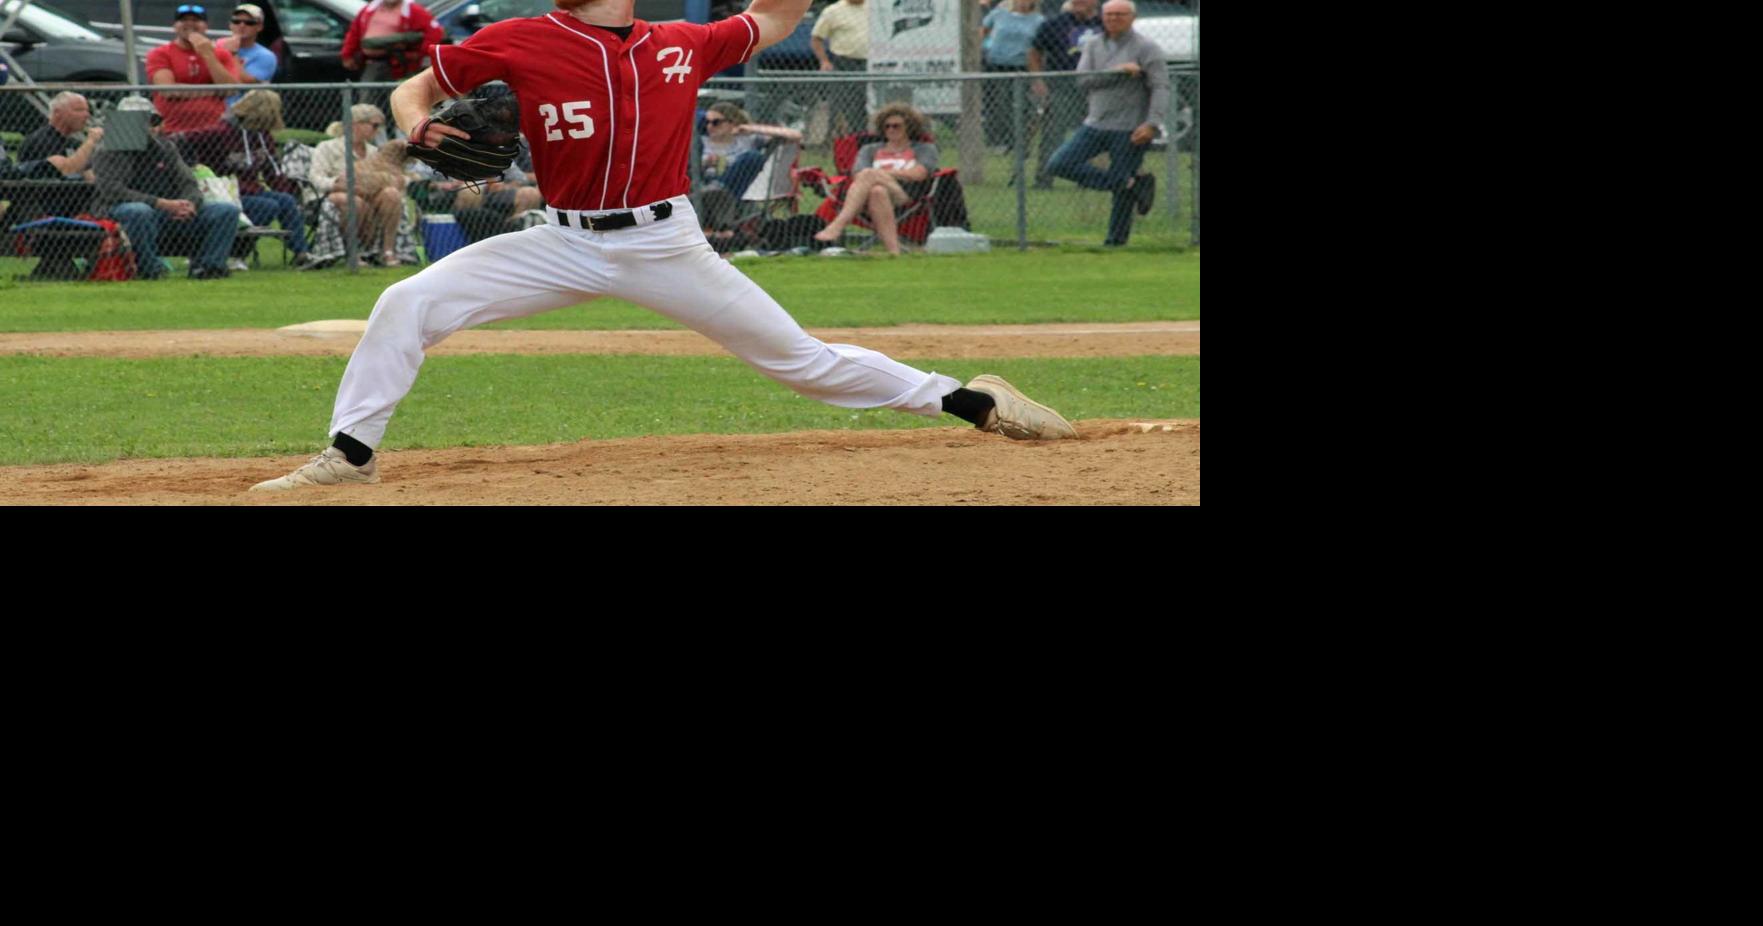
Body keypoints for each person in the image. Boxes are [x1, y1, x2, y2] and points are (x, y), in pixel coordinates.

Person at [249, 0, 1075, 492]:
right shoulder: (519, 39)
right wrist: (415, 127)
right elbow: (415, 86)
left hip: (662, 242)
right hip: (559, 239)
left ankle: (975, 402)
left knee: (796, 359)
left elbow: (778, 16)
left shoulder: (686, 40)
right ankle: (351, 455)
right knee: (408, 300)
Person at [1045, 0, 1165, 246]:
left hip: (1131, 127)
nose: (1113, 19)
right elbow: (1083, 81)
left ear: (1132, 17)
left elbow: (1161, 87)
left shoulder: (1147, 47)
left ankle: (1115, 242)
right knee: (1059, 163)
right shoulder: (1092, 45)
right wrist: (1117, 70)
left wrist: (1152, 124)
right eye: (1109, 14)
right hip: (1095, 123)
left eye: (1120, 14)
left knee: (1121, 190)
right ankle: (1129, 184)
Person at [92, 100, 241, 280]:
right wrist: (162, 203)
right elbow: (113, 192)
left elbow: (189, 183)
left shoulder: (166, 147)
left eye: (154, 121)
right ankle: (150, 270)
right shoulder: (109, 148)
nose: (151, 127)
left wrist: (190, 204)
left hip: (168, 212)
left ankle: (208, 268)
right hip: (119, 211)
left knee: (226, 210)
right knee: (139, 210)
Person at [172, 89, 317, 269]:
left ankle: (302, 254)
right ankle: (232, 253)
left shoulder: (263, 136)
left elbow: (272, 171)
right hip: (223, 193)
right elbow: (179, 140)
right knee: (267, 206)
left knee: (285, 200)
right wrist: (191, 169)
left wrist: (288, 193)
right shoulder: (220, 132)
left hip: (250, 190)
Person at [811, 103, 936, 256]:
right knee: (877, 191)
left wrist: (882, 173)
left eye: (896, 126)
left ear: (909, 127)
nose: (891, 130)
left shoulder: (923, 148)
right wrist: (881, 175)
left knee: (870, 174)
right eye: (887, 126)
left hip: (903, 195)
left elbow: (919, 174)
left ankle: (838, 224)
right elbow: (858, 174)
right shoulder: (870, 149)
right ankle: (894, 252)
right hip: (866, 197)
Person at [309, 103, 409, 266]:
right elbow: (316, 177)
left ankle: (387, 251)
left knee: (391, 194)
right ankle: (354, 253)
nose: (378, 130)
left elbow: (397, 177)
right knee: (354, 201)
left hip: (369, 194)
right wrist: (337, 183)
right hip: (334, 194)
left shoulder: (375, 151)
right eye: (375, 125)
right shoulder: (327, 147)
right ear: (355, 124)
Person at [1026, 0, 1101, 188]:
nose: (1079, 3)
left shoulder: (1105, 25)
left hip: (1097, 89)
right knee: (1053, 134)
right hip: (1061, 88)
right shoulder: (1054, 24)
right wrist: (1037, 79)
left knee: (1091, 135)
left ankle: (1086, 180)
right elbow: (1034, 52)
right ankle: (1044, 180)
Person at [147, 4, 245, 133]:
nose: (190, 24)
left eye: (196, 20)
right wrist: (214, 91)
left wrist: (208, 55)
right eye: (184, 20)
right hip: (172, 131)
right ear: (175, 26)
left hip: (214, 132)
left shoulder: (221, 54)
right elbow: (169, 90)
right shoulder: (160, 53)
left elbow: (229, 89)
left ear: (206, 26)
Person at [342, 0, 445, 110]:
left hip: (399, 65)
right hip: (371, 63)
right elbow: (354, 32)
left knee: (398, 102)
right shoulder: (369, 9)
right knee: (367, 103)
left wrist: (417, 54)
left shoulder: (413, 10)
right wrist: (347, 54)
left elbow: (435, 32)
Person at [981, 0, 1044, 150]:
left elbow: (1039, 46)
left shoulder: (1039, 20)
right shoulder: (999, 15)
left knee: (1022, 107)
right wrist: (984, 46)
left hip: (1022, 67)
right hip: (996, 65)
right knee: (998, 104)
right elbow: (982, 31)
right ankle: (999, 141)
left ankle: (1020, 143)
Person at [810, 0, 869, 141]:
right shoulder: (833, 11)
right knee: (846, 105)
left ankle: (871, 139)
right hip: (845, 63)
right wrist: (824, 61)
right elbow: (816, 38)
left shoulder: (877, 9)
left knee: (870, 104)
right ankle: (849, 141)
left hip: (874, 63)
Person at [17, 92, 104, 181]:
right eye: (79, 110)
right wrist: (91, 140)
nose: (87, 115)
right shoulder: (39, 140)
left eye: (87, 111)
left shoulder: (73, 143)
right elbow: (68, 170)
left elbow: (89, 176)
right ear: (57, 113)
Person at [217, 4, 279, 106]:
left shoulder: (266, 56)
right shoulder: (216, 45)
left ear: (259, 27)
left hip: (244, 112)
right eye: (236, 22)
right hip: (213, 108)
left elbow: (243, 82)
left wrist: (232, 53)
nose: (241, 25)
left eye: (249, 23)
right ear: (230, 25)